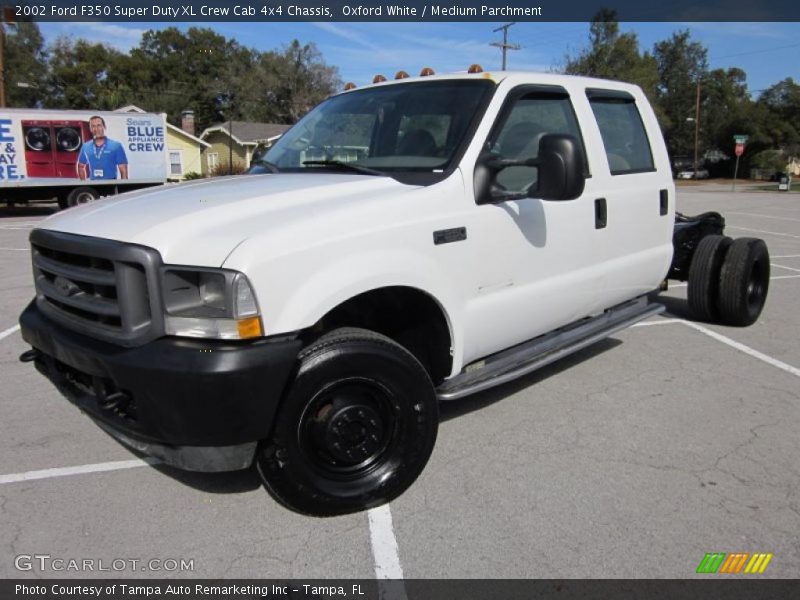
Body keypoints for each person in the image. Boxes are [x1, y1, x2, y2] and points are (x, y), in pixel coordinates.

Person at [77, 116, 128, 180]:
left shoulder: (116, 145)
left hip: (111, 182)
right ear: (90, 129)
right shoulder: (85, 146)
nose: (96, 129)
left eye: (99, 125)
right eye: (93, 126)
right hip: (93, 183)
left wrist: (123, 185)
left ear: (104, 127)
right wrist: (83, 183)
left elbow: (123, 170)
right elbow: (81, 166)